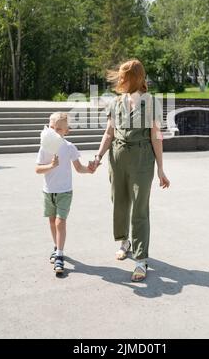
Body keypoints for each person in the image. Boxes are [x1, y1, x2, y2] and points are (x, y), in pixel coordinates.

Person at [89, 60, 170, 282]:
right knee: (120, 201)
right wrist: (98, 156)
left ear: (135, 78)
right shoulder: (116, 103)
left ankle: (141, 260)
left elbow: (156, 136)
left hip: (142, 159)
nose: (120, 80)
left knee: (140, 209)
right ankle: (125, 241)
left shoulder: (151, 102)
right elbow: (109, 133)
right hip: (118, 157)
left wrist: (161, 169)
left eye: (124, 76)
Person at [36, 112, 94, 275]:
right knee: (52, 222)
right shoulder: (44, 147)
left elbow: (79, 168)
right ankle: (57, 247)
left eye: (59, 129)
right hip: (48, 191)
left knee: (60, 222)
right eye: (52, 127)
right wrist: (51, 166)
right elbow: (37, 169)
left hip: (64, 192)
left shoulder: (69, 147)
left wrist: (89, 170)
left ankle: (60, 254)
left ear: (66, 131)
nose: (55, 131)